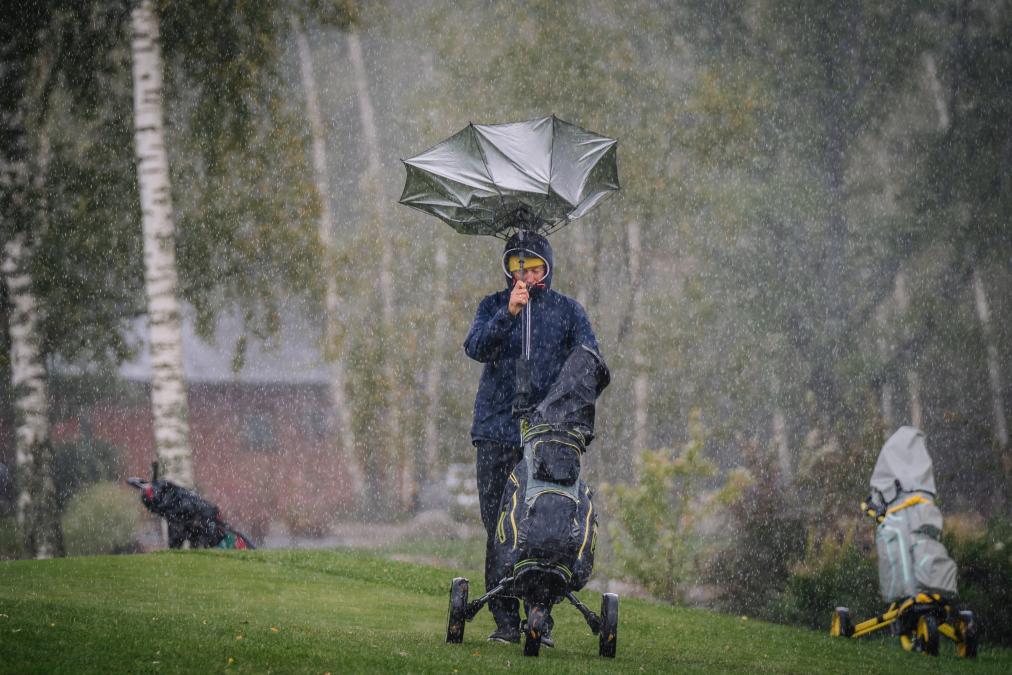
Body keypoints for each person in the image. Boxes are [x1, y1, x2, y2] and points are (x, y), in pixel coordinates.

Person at [464, 230, 599, 644]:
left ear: (548, 268)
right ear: (507, 269)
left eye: (534, 266)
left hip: (547, 435)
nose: (526, 274)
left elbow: (589, 361)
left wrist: (563, 407)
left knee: (543, 520)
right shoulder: (492, 305)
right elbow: (475, 347)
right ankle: (505, 620)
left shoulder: (568, 311)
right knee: (499, 525)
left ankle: (540, 614)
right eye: (517, 266)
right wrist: (508, 313)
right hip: (496, 431)